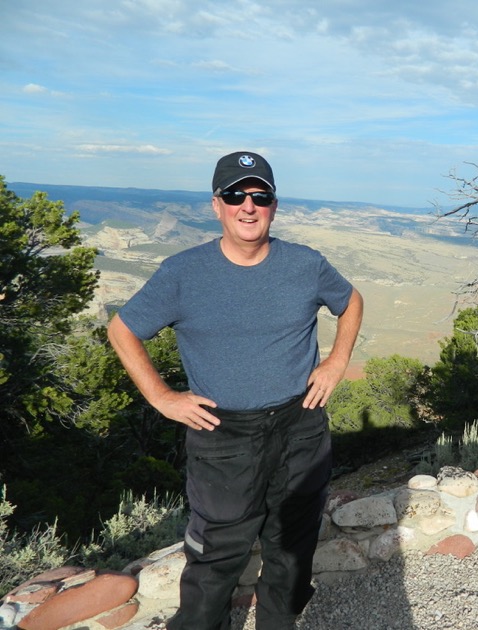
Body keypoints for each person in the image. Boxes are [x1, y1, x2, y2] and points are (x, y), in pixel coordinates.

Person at [107, 151, 363, 629]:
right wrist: (162, 397)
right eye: (235, 195)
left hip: (300, 423)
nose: (248, 206)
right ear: (216, 205)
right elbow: (122, 330)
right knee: (215, 556)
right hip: (223, 434)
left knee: (292, 547)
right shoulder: (183, 273)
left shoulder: (306, 264)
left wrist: (337, 361)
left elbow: (350, 301)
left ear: (274, 204)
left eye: (259, 195)